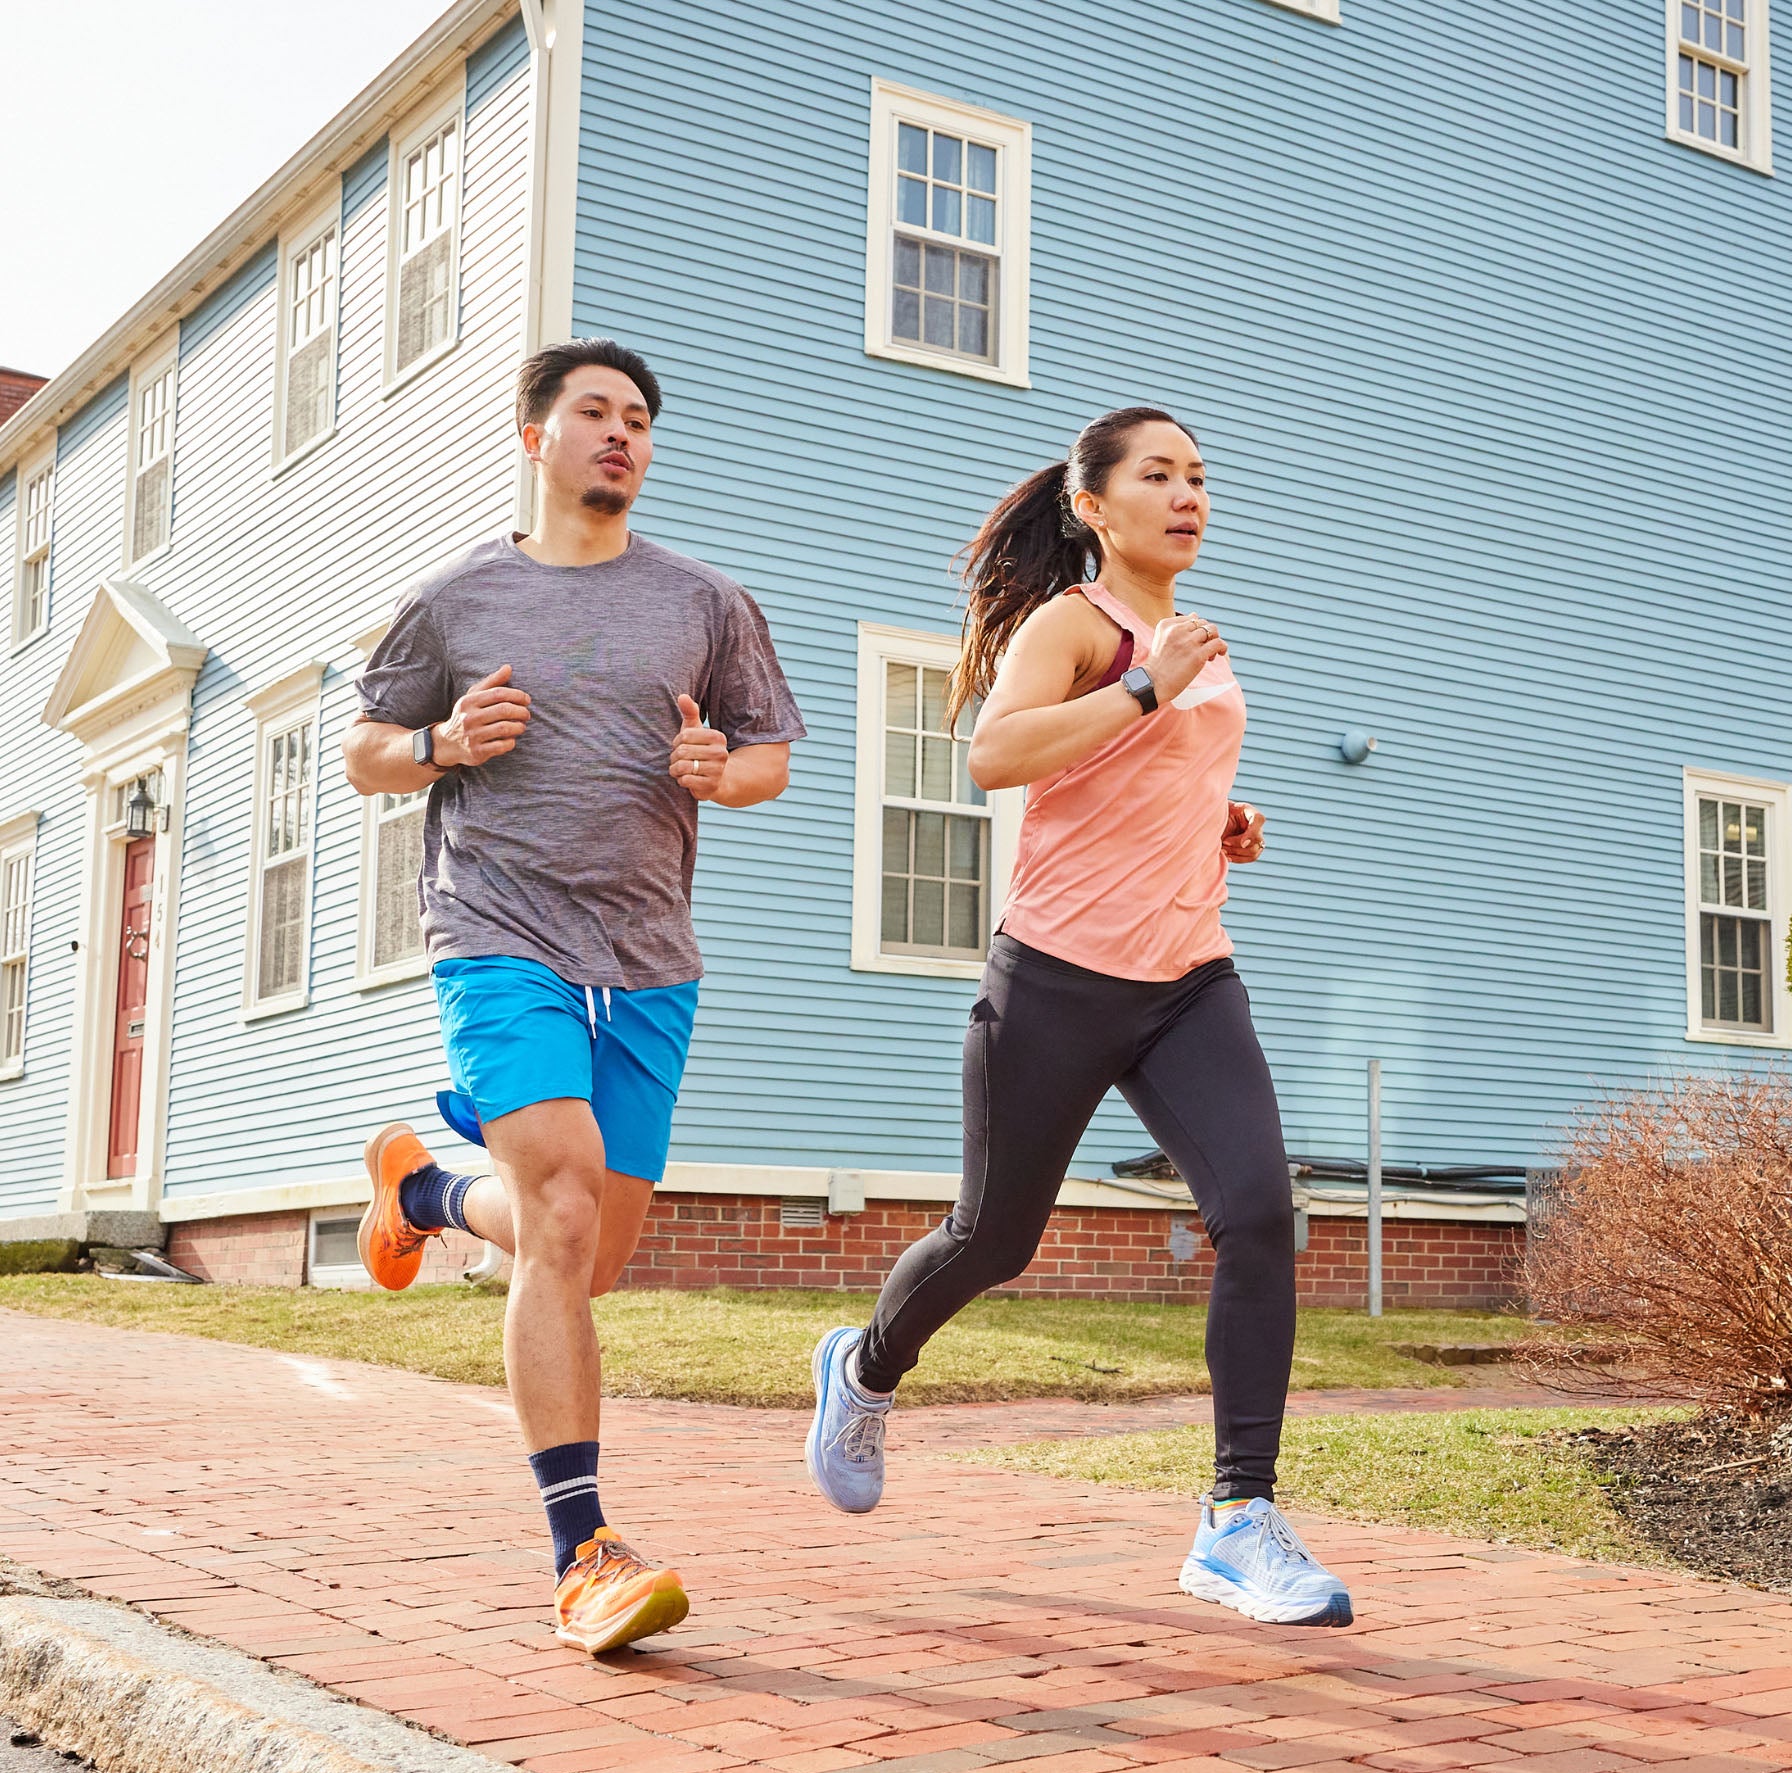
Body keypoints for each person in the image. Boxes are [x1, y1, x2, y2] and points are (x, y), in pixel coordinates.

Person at [804, 406, 1350, 1627]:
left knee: (1259, 1211)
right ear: (1093, 504)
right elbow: (996, 756)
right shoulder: (1079, 626)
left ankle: (1235, 1518)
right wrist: (1151, 686)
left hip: (1188, 977)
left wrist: (1219, 819)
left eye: (1200, 475)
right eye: (1157, 475)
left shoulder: (1193, 644)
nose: (1187, 493)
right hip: (1053, 976)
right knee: (993, 1239)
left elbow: (1140, 770)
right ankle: (864, 1364)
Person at [343, 338, 804, 1655]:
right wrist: (437, 744)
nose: (623, 434)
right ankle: (583, 1551)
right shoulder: (456, 603)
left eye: (641, 419)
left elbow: (770, 756)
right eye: (596, 412)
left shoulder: (708, 602)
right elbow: (367, 747)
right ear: (535, 435)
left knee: (589, 1253)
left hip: (650, 957)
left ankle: (426, 1194)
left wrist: (725, 769)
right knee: (556, 1206)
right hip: (498, 935)